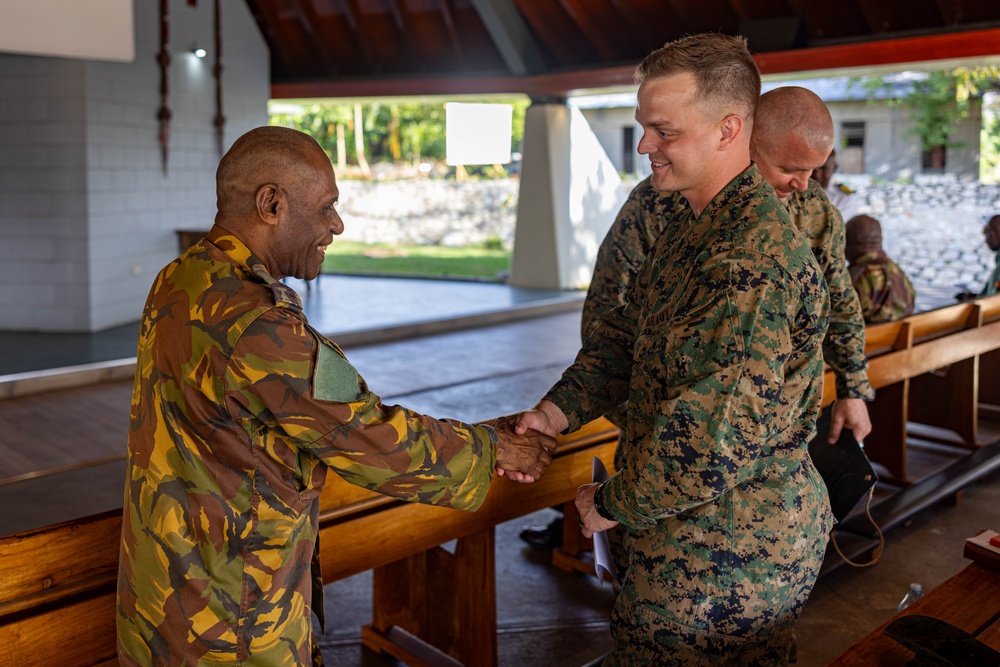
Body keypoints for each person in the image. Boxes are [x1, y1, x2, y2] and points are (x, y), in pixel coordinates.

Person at [116, 126, 557, 666]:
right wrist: (496, 449)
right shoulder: (256, 321)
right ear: (271, 203)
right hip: (230, 622)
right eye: (327, 207)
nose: (336, 225)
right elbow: (370, 435)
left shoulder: (183, 278)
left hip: (169, 597)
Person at [514, 33, 833, 664]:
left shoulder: (748, 262)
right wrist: (555, 412)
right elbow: (625, 340)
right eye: (643, 126)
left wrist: (605, 503)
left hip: (725, 563)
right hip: (694, 545)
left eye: (663, 130)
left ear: (727, 129)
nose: (643, 146)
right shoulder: (694, 225)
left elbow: (707, 450)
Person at [520, 88, 875, 554]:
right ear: (742, 143)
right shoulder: (663, 203)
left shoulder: (814, 215)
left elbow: (840, 303)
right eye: (789, 169)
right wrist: (646, 422)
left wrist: (852, 385)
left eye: (815, 172)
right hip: (668, 440)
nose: (803, 186)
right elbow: (612, 315)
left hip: (753, 474)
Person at [845, 214, 917, 322]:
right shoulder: (897, 270)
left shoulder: (855, 276)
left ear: (848, 242)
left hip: (872, 338)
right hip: (903, 337)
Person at [812, 148, 860, 221]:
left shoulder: (846, 197)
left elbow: (839, 229)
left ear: (834, 168)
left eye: (824, 168)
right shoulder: (795, 190)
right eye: (813, 168)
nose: (817, 174)